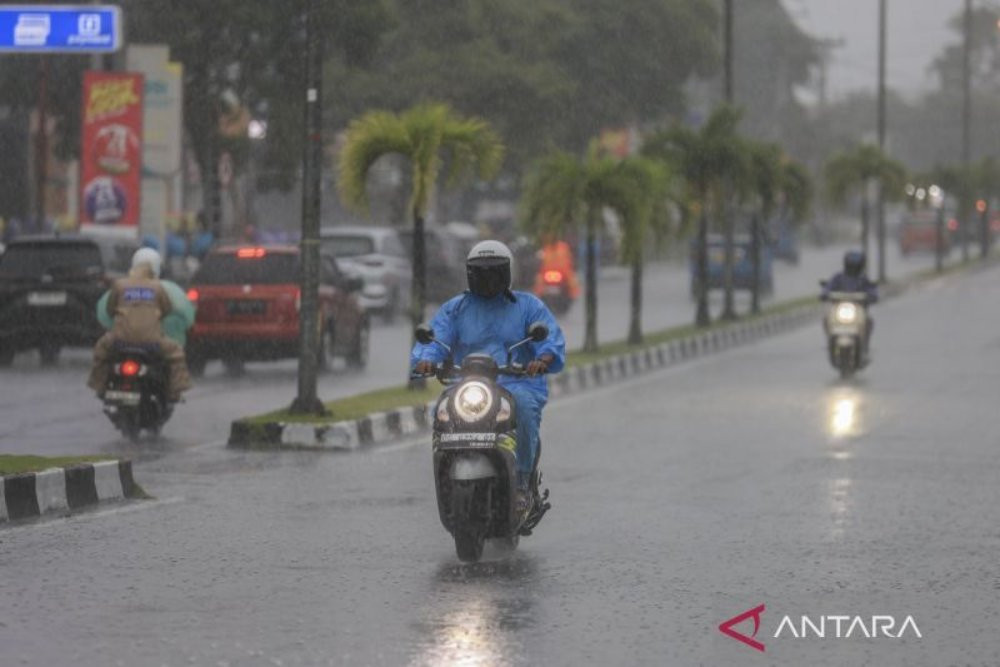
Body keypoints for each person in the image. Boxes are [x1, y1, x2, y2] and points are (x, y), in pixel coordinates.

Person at [411, 240, 566, 511]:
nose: (488, 279)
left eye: (494, 272)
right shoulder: (456, 308)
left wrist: (542, 360)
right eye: (481, 273)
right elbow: (436, 338)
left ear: (508, 272)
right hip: (468, 385)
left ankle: (521, 483)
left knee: (524, 410)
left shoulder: (528, 306)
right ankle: (446, 477)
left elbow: (548, 338)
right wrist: (426, 360)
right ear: (470, 274)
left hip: (516, 383)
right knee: (443, 412)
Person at [87, 248, 192, 402]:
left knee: (100, 351)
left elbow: (110, 310)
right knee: (176, 353)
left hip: (120, 339)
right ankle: (175, 391)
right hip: (152, 341)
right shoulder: (158, 287)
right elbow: (167, 309)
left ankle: (99, 386)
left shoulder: (120, 285)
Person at [821, 250, 878, 355]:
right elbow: (828, 287)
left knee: (869, 322)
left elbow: (871, 290)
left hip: (858, 311)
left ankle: (865, 346)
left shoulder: (863, 280)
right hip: (839, 310)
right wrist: (824, 294)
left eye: (855, 266)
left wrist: (872, 296)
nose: (853, 269)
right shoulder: (838, 278)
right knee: (826, 319)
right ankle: (830, 340)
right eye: (851, 266)